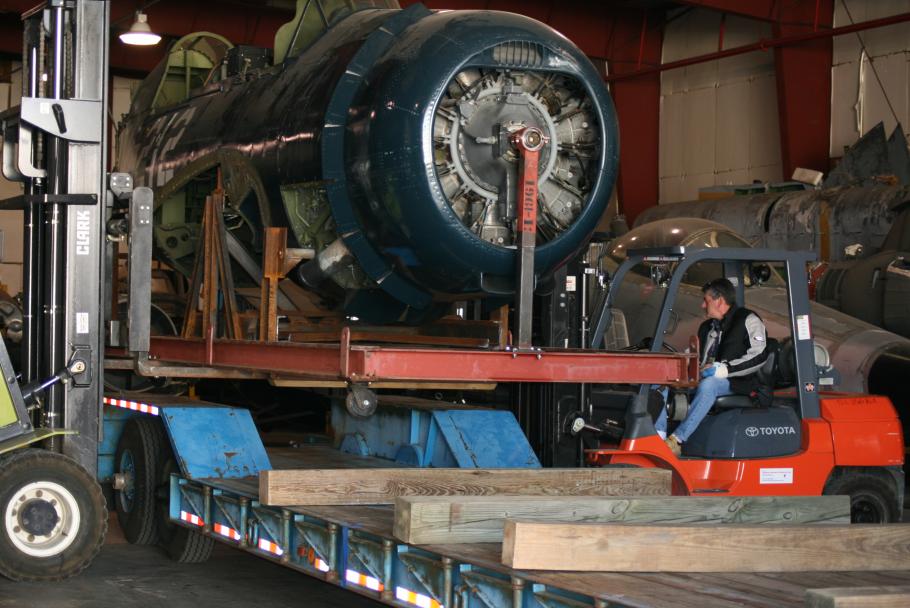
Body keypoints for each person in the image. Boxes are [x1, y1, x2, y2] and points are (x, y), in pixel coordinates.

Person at [656, 278, 769, 456]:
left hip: (736, 381)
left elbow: (759, 355)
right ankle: (658, 437)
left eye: (706, 300)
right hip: (704, 376)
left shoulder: (748, 320)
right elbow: (696, 352)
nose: (702, 305)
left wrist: (725, 370)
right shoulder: (707, 326)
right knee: (657, 382)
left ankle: (677, 439)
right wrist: (681, 361)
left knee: (710, 384)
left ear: (719, 301)